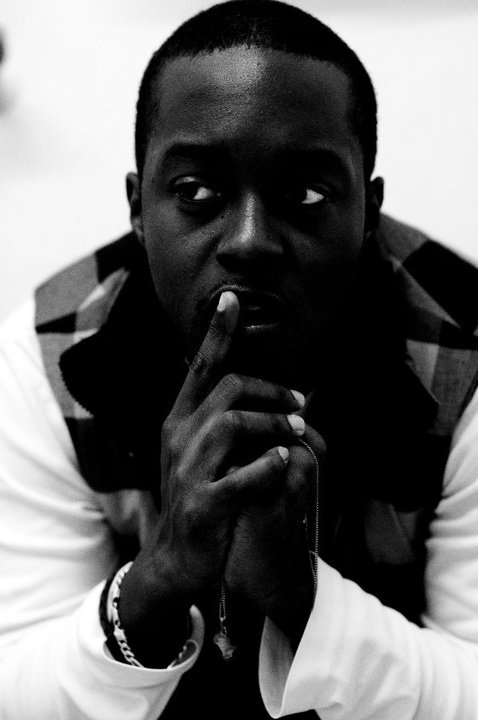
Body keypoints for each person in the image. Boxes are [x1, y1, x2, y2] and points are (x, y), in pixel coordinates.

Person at [1, 0, 478, 717]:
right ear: (138, 208)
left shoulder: (464, 353)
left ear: (368, 213)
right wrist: (162, 575)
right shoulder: (48, 354)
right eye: (197, 192)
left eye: (306, 194)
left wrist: (298, 589)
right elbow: (16, 688)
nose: (250, 241)